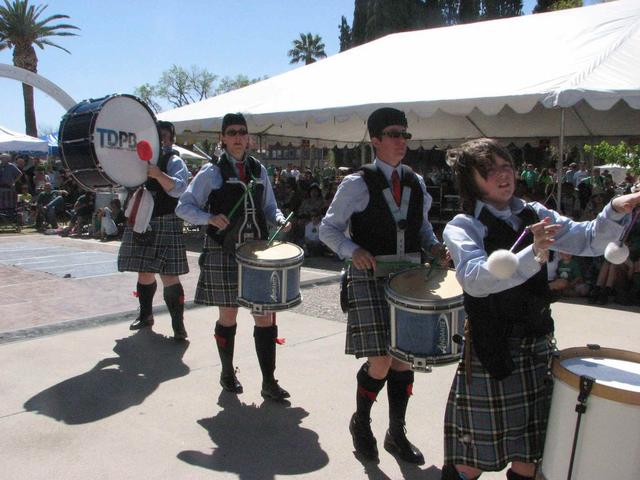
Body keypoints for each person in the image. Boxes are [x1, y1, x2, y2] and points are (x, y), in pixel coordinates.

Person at [440, 138, 640, 480]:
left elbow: (589, 239)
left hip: (537, 345)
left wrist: (615, 209)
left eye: (506, 166)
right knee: (470, 460)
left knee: (530, 457)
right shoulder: (463, 226)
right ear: (470, 180)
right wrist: (533, 253)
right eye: (489, 171)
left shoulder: (535, 212)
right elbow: (474, 279)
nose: (503, 176)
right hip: (492, 349)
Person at [320, 107, 445, 465]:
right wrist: (351, 249)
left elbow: (421, 229)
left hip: (408, 280)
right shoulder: (356, 183)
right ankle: (362, 422)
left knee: (404, 360)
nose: (402, 140)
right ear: (375, 140)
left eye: (405, 134)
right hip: (369, 276)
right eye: (394, 134)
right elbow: (329, 228)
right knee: (381, 360)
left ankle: (397, 432)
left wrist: (434, 247)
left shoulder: (416, 182)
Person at [176, 113, 292, 401]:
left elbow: (269, 206)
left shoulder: (258, 169)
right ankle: (227, 372)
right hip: (223, 250)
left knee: (264, 316)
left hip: (257, 253)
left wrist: (278, 219)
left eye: (242, 132)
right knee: (228, 315)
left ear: (248, 137)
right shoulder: (211, 172)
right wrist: (209, 217)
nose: (239, 137)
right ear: (223, 138)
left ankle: (268, 381)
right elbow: (184, 206)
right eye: (232, 132)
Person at [117, 121, 190, 340]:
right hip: (142, 220)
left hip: (166, 221)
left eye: (165, 136)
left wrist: (157, 174)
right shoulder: (139, 160)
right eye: (157, 137)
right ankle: (146, 315)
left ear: (171, 139)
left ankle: (178, 326)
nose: (161, 141)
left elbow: (179, 188)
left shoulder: (174, 160)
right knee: (144, 271)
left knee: (169, 275)